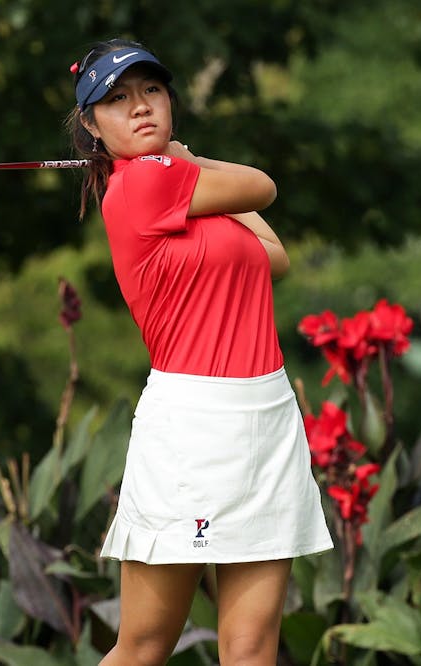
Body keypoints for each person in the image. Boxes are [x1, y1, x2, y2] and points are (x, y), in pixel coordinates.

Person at [66, 38, 333, 666]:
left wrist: (190, 166)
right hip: (194, 428)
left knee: (251, 648)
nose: (140, 108)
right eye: (117, 99)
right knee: (145, 645)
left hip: (267, 418)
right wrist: (193, 158)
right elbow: (263, 187)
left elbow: (273, 256)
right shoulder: (142, 187)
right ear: (90, 125)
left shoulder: (188, 194)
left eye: (151, 91)